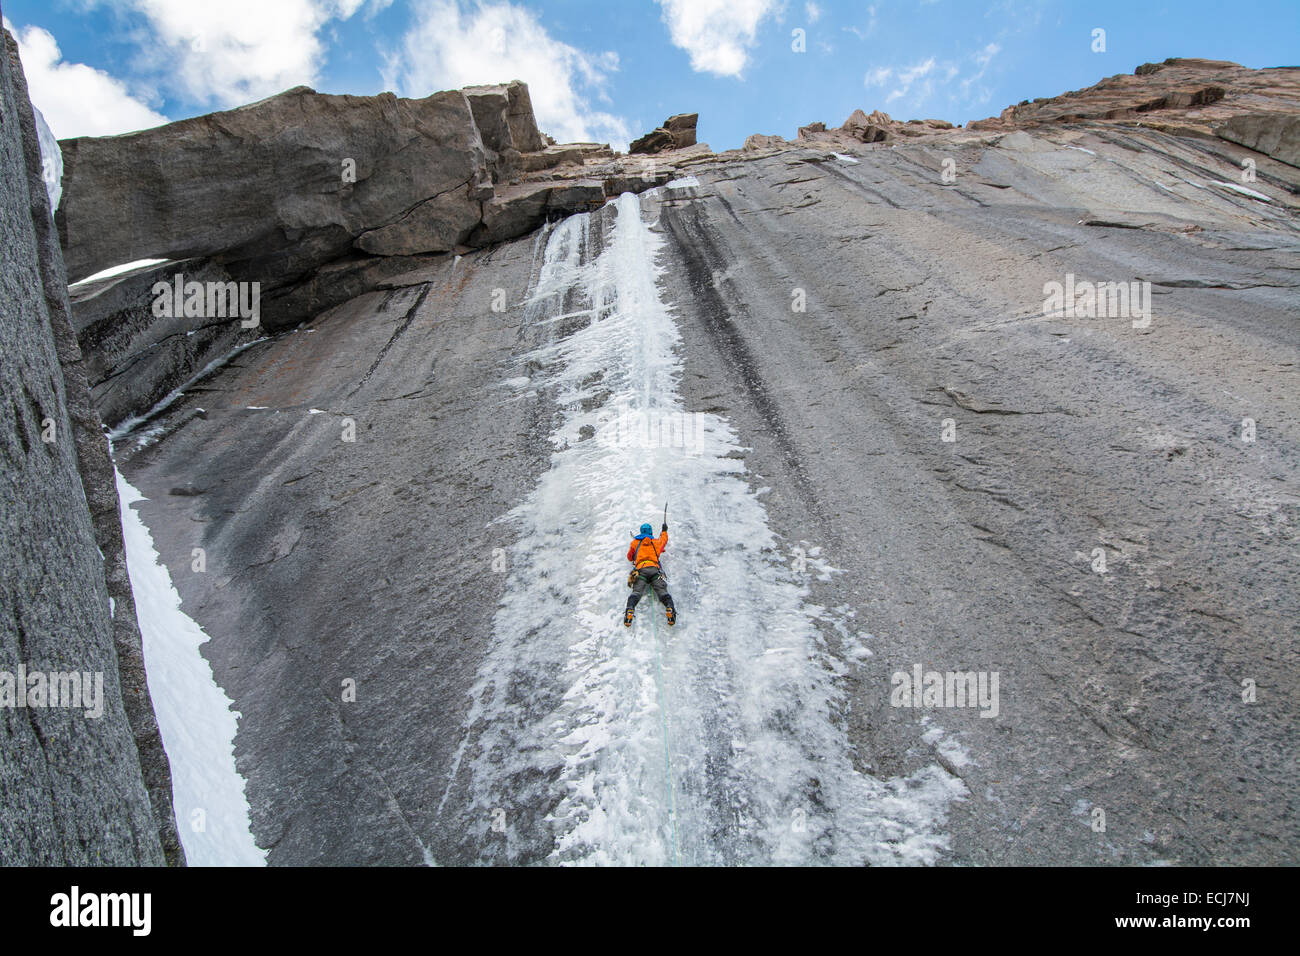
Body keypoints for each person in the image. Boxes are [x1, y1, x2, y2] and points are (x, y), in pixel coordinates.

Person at [625, 520, 676, 627]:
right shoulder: (656, 543)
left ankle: (629, 610)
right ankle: (670, 609)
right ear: (651, 533)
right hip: (654, 570)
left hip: (641, 571)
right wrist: (664, 530)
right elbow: (663, 540)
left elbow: (630, 557)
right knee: (662, 592)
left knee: (636, 592)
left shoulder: (635, 543)